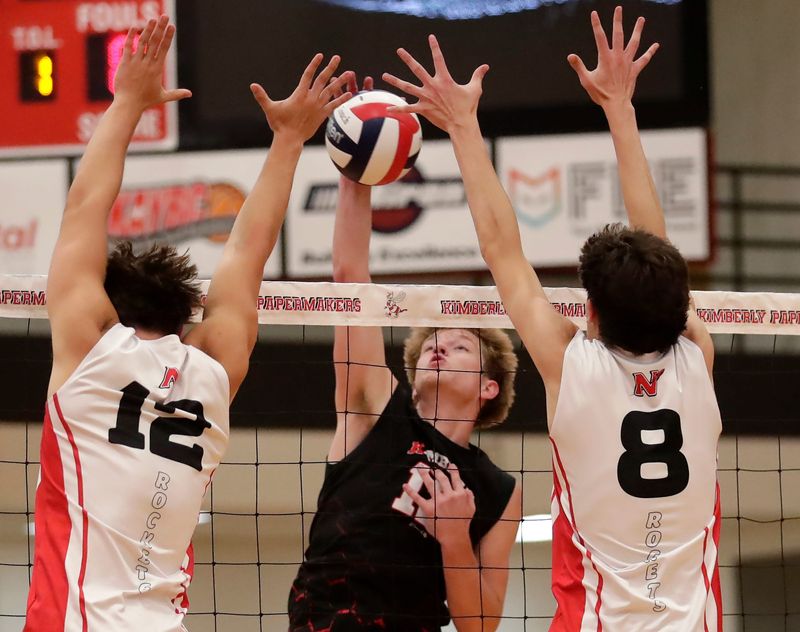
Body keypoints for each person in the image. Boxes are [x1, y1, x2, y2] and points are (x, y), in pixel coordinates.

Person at [383, 6, 722, 631]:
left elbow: (502, 252)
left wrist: (462, 126)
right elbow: (655, 245)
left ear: (587, 310)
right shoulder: (696, 358)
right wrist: (620, 108)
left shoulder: (573, 367)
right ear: (677, 304)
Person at [25, 16, 352, 631]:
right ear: (185, 316)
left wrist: (126, 101)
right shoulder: (212, 372)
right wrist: (289, 140)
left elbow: (84, 206)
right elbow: (245, 255)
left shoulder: (90, 349)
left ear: (109, 306)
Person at [287, 76, 522, 632]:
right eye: (432, 344)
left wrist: (454, 538)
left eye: (460, 345)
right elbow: (351, 280)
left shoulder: (497, 488)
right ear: (411, 379)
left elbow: (481, 624)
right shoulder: (376, 411)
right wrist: (357, 171)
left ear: (489, 386)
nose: (440, 345)